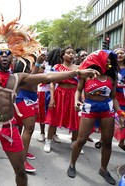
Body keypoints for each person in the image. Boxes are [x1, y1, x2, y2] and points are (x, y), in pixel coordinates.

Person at [0, 14, 99, 186]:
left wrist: (77, 72)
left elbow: (49, 76)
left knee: (20, 171)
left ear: (12, 59)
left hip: (10, 130)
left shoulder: (19, 78)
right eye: (0, 54)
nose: (5, 56)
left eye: (8, 54)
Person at [67, 49, 123, 185]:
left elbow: (114, 97)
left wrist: (120, 114)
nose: (109, 60)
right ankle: (72, 164)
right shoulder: (87, 74)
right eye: (107, 58)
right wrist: (76, 101)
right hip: (90, 108)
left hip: (107, 109)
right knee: (81, 140)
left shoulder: (112, 77)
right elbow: (78, 90)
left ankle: (103, 170)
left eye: (110, 59)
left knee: (107, 141)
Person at [44, 46, 82, 153]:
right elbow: (52, 83)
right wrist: (52, 98)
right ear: (63, 55)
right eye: (68, 53)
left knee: (75, 118)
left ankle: (74, 142)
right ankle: (48, 140)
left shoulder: (78, 68)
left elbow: (81, 85)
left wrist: (81, 98)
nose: (71, 55)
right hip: (60, 94)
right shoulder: (57, 67)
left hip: (74, 95)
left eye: (72, 53)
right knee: (54, 118)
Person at [113, 48, 125, 150]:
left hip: (124, 96)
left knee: (123, 120)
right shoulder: (110, 67)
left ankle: (122, 142)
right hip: (114, 97)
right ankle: (103, 140)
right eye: (117, 53)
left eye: (122, 53)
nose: (120, 55)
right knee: (112, 119)